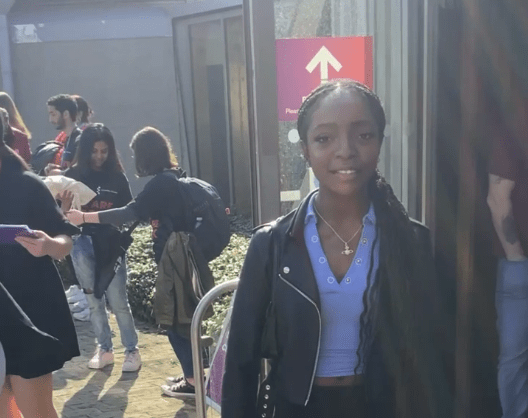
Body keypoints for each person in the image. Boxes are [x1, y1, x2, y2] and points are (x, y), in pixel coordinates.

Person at [221, 80, 452, 418]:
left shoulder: (411, 241)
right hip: (296, 409)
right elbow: (241, 360)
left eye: (363, 135)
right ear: (305, 150)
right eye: (324, 138)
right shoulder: (272, 245)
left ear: (380, 142)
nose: (345, 150)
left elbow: (434, 355)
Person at [66, 127, 212, 397]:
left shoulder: (160, 184)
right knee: (182, 318)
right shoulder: (171, 178)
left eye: (135, 153)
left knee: (173, 321)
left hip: (176, 260)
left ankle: (193, 383)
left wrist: (85, 218)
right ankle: (194, 376)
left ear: (145, 155)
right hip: (182, 258)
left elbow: (130, 212)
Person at [0, 116, 80, 417]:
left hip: (29, 308)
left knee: (35, 409)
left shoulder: (27, 184)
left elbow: (65, 239)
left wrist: (49, 245)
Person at [58, 123, 141, 372]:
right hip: (81, 243)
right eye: (94, 151)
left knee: (118, 300)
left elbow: (129, 212)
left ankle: (132, 350)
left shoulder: (116, 176)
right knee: (93, 300)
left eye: (104, 151)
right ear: (85, 151)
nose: (99, 156)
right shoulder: (73, 176)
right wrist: (64, 208)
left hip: (111, 244)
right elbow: (63, 217)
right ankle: (104, 348)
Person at [487, 109, 528, 417]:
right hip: (520, 266)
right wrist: (518, 261)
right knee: (514, 359)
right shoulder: (518, 120)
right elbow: (498, 198)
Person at [45, 94, 81, 174]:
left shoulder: (80, 140)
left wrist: (59, 173)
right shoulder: (67, 138)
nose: (50, 120)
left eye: (53, 114)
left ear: (66, 114)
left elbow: (79, 171)